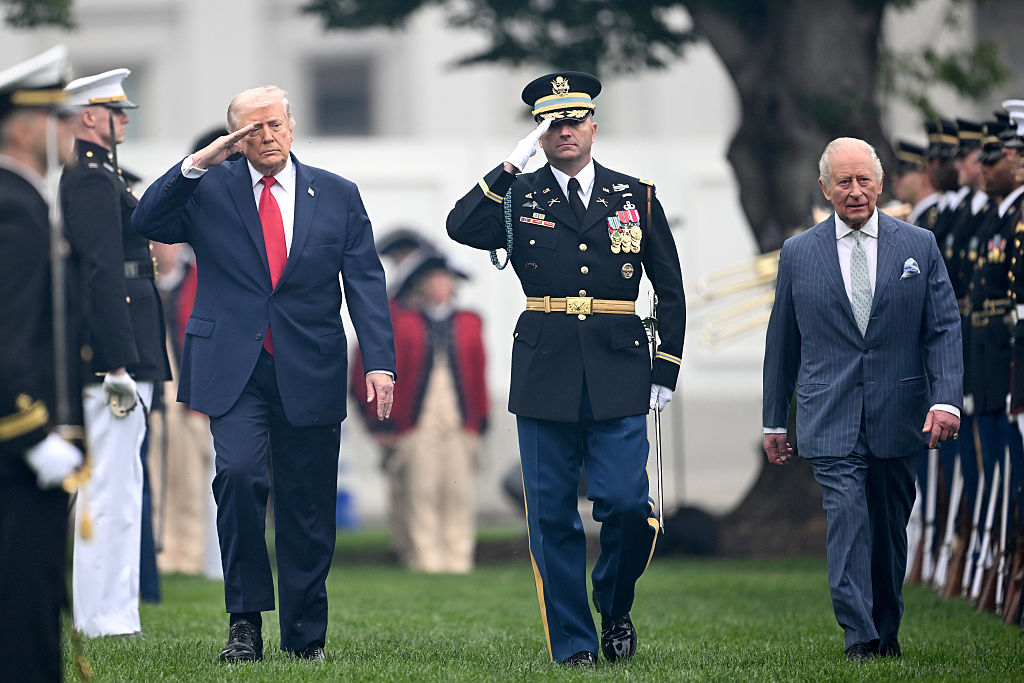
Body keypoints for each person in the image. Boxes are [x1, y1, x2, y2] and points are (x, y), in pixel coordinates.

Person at [132, 85, 396, 663]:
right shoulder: (211, 190)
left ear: (292, 126)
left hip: (311, 365)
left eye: (275, 124)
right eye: (252, 129)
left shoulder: (337, 194)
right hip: (234, 367)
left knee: (306, 502)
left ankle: (305, 635)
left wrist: (379, 361)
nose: (267, 136)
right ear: (235, 136)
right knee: (241, 478)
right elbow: (145, 219)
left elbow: (366, 285)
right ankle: (244, 623)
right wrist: (199, 163)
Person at [447, 71, 685, 666]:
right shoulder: (520, 195)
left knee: (628, 506)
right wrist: (508, 165)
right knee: (551, 515)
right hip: (545, 368)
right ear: (539, 133)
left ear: (593, 127)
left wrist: (665, 370)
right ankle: (574, 644)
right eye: (552, 123)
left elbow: (672, 291)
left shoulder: (637, 196)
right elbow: (460, 225)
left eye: (574, 120)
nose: (565, 130)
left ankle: (614, 603)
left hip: (620, 366)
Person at [762, 137, 962, 661]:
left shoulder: (918, 246)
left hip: (900, 415)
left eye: (864, 180)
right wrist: (773, 421)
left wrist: (945, 400)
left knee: (889, 528)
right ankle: (860, 636)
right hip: (828, 415)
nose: (855, 191)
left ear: (880, 182)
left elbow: (942, 328)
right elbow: (782, 343)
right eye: (844, 182)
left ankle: (886, 627)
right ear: (826, 189)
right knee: (847, 517)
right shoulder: (799, 253)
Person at [60, 67, 171, 637]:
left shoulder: (103, 177)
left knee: (123, 488)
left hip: (128, 341)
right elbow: (102, 273)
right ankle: (98, 615)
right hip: (116, 350)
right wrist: (115, 360)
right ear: (87, 117)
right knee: (108, 489)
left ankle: (115, 611)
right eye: (115, 111)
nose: (125, 119)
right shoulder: (89, 179)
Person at [0, 45, 85, 682]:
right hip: (13, 452)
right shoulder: (17, 208)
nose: (70, 130)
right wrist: (31, 432)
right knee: (24, 615)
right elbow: (10, 335)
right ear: (25, 126)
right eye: (59, 117)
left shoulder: (27, 201)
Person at [352, 250, 488, 573]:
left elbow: (479, 372)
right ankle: (426, 560)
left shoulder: (470, 322)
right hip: (417, 423)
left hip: (458, 421)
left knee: (458, 494)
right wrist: (386, 423)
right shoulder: (405, 322)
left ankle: (458, 559)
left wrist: (480, 420)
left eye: (445, 280)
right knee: (421, 493)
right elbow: (394, 373)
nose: (440, 286)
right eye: (433, 280)